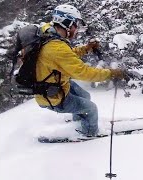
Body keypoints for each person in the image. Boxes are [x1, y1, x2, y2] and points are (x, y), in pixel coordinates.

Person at [34, 4, 126, 137]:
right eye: (75, 24)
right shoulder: (56, 48)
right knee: (91, 108)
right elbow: (84, 73)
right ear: (66, 23)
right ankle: (88, 134)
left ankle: (78, 123)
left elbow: (66, 55)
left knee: (84, 96)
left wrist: (86, 48)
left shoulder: (47, 33)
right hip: (52, 96)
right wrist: (111, 73)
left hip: (53, 83)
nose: (76, 29)